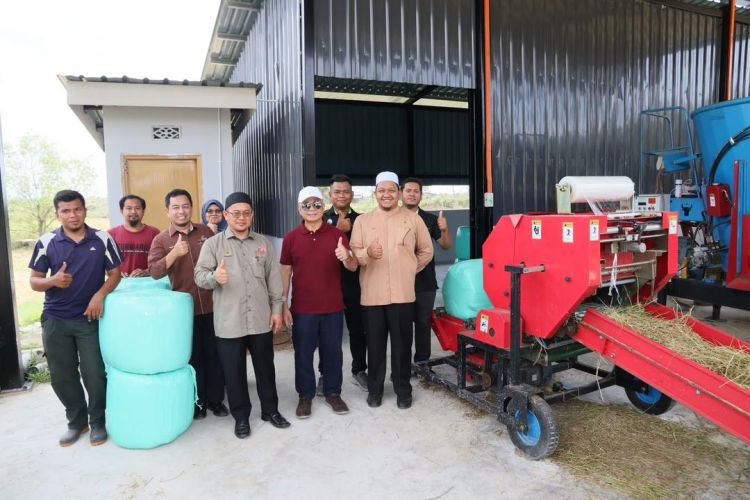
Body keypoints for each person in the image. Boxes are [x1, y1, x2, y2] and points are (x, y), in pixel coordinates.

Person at [28, 190, 122, 447]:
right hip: (55, 319)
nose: (73, 215)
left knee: (95, 374)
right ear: (58, 214)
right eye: (66, 211)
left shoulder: (102, 239)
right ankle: (76, 422)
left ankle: (97, 421)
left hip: (89, 319)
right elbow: (34, 281)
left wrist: (99, 295)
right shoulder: (47, 242)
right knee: (62, 376)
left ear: (85, 211)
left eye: (77, 209)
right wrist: (53, 280)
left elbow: (115, 274)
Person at [195, 192, 290, 439]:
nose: (241, 217)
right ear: (226, 215)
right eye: (235, 213)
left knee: (265, 369)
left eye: (246, 213)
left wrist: (277, 310)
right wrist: (214, 277)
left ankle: (270, 411)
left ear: (252, 215)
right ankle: (241, 417)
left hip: (260, 318)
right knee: (234, 373)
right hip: (229, 321)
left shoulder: (263, 243)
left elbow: (273, 279)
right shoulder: (213, 244)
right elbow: (199, 276)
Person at [349, 172, 433, 409]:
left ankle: (403, 390)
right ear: (375, 193)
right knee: (375, 346)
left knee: (402, 346)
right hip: (372, 294)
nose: (386, 195)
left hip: (402, 294)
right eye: (381, 191)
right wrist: (367, 253)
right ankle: (375, 391)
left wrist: (409, 268)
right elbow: (354, 252)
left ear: (398, 193)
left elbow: (426, 250)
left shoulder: (413, 220)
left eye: (391, 190)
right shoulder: (362, 221)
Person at [148, 188, 228, 420]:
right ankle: (198, 402)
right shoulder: (161, 239)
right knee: (193, 359)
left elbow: (222, 259)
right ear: (167, 211)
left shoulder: (205, 232)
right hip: (184, 311)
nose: (181, 211)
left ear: (191, 208)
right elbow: (154, 271)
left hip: (213, 305)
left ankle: (216, 401)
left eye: (185, 206)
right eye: (175, 207)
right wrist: (174, 254)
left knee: (215, 355)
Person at [281, 186, 358, 419]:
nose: (312, 209)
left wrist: (347, 257)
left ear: (323, 207)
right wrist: (283, 304)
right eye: (306, 205)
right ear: (299, 209)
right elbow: (285, 271)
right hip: (303, 308)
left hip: (332, 307)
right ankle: (305, 396)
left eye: (316, 204)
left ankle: (333, 392)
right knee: (303, 354)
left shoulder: (337, 235)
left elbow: (353, 266)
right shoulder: (291, 238)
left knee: (333, 352)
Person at [400, 177, 453, 364]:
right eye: (408, 190)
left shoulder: (430, 219)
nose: (412, 194)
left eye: (416, 191)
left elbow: (446, 245)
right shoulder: (392, 218)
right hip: (400, 283)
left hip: (425, 281)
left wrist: (444, 230)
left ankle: (422, 364)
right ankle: (403, 366)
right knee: (402, 327)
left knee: (423, 324)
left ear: (421, 195)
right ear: (401, 193)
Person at [323, 174, 368, 391]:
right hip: (327, 285)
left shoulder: (362, 220)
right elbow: (315, 251)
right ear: (330, 194)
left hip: (354, 283)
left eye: (346, 192)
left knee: (358, 330)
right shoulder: (319, 218)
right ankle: (325, 373)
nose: (342, 195)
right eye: (337, 192)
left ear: (352, 194)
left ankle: (359, 369)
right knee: (328, 333)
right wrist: (337, 230)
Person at [108, 195, 160, 277]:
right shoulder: (111, 234)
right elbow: (102, 263)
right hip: (120, 283)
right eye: (129, 208)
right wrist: (115, 273)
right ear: (121, 211)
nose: (133, 212)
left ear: (143, 211)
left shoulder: (155, 233)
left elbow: (162, 261)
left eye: (137, 208)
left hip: (149, 282)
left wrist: (147, 272)